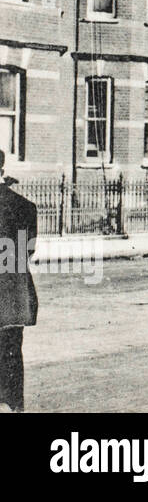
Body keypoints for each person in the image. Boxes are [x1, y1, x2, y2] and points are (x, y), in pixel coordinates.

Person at [0, 151, 37, 412]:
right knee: (12, 348)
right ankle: (15, 404)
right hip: (13, 291)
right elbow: (28, 251)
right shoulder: (25, 206)